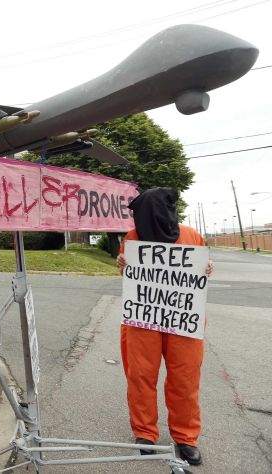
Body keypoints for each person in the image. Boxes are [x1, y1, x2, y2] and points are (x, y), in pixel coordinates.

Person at [116, 188, 213, 466]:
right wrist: (121, 263)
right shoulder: (132, 238)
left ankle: (185, 438)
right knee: (140, 376)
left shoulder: (191, 235)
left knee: (185, 379)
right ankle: (145, 434)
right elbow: (128, 270)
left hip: (183, 322)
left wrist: (208, 267)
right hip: (143, 321)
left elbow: (201, 267)